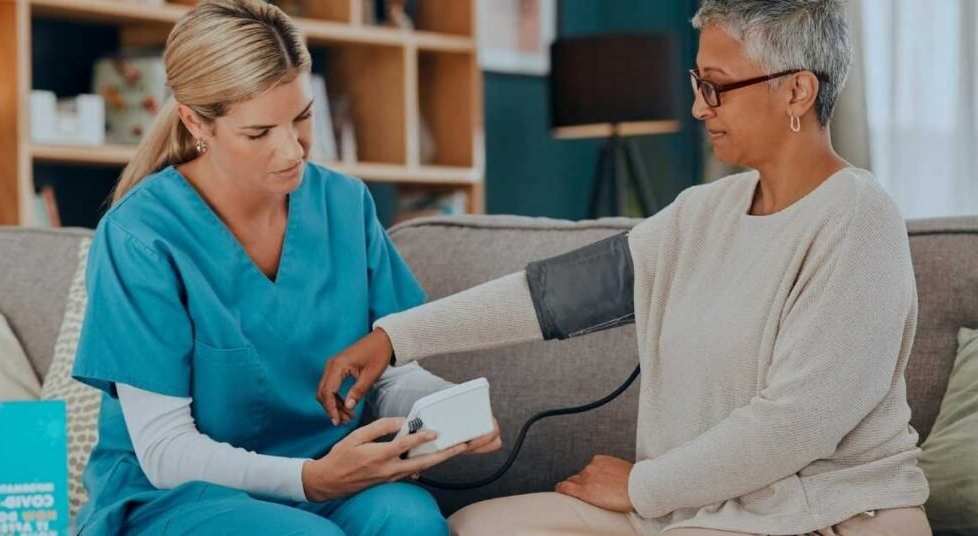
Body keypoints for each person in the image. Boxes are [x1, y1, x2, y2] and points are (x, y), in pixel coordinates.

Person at [317, 1, 932, 534]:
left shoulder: (857, 219)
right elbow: (558, 294)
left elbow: (797, 424)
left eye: (716, 87)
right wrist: (396, 337)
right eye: (697, 82)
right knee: (477, 527)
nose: (698, 108)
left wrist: (641, 485)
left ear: (796, 91)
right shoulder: (704, 211)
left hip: (822, 513)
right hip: (688, 507)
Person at [70, 1, 499, 534]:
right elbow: (164, 449)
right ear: (195, 121)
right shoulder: (141, 235)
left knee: (408, 520)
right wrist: (310, 480)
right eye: (259, 133)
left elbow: (389, 373)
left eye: (302, 117)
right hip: (180, 497)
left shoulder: (344, 204)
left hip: (328, 476)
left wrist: (444, 409)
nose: (292, 150)